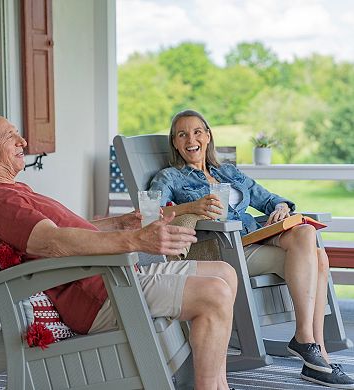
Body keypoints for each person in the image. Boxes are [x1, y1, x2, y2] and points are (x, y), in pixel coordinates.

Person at [0, 114, 238, 390]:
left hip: (115, 277)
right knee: (214, 293)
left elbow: (69, 229)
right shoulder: (0, 202)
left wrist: (119, 223)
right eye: (10, 136)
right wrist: (136, 240)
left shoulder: (15, 191)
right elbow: (53, 241)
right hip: (101, 294)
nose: (22, 140)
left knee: (224, 273)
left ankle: (218, 384)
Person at [149, 109, 354, 389]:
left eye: (197, 132)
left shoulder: (228, 171)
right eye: (182, 134)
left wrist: (281, 208)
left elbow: (269, 199)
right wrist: (190, 208)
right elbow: (151, 212)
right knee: (317, 259)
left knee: (308, 236)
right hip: (227, 250)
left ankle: (309, 344)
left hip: (254, 237)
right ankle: (316, 356)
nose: (191, 139)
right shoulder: (171, 177)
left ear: (208, 137)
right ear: (175, 142)